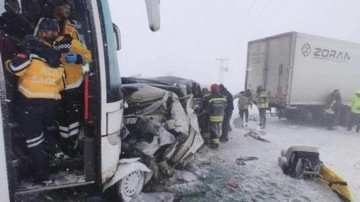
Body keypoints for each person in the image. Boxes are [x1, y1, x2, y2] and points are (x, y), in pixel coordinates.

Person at [5, 18, 65, 183]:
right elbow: (61, 84)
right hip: (50, 105)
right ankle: (56, 150)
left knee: (34, 143)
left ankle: (43, 177)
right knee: (42, 131)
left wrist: (8, 61)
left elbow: (15, 69)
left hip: (30, 104)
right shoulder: (58, 58)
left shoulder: (31, 52)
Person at [50, 0, 92, 155]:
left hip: (74, 82)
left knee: (73, 114)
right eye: (65, 6)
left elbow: (88, 55)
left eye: (69, 7)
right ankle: (66, 143)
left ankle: (72, 143)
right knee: (63, 116)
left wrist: (77, 58)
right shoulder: (46, 29)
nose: (68, 9)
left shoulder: (70, 35)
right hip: (56, 83)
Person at [205, 84, 226, 148]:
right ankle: (214, 142)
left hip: (213, 117)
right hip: (221, 116)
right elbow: (225, 106)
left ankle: (215, 144)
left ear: (211, 89)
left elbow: (207, 109)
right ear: (218, 89)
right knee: (218, 129)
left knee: (213, 130)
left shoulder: (209, 97)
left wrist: (207, 115)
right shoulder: (223, 97)